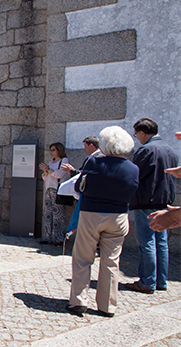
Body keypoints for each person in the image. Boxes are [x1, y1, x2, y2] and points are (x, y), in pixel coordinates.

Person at [66, 126, 139, 318]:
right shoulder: (133, 168)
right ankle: (107, 305)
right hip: (118, 215)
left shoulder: (94, 163)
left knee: (82, 257)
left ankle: (79, 301)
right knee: (111, 261)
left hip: (92, 213)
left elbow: (79, 186)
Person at [125, 118, 178, 294]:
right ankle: (161, 280)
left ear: (142, 133)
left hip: (147, 201)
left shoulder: (146, 149)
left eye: (136, 134)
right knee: (161, 243)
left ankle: (147, 282)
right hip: (164, 202)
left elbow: (135, 175)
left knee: (146, 241)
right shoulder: (170, 149)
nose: (137, 138)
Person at [38, 142, 70, 245]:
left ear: (59, 150)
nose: (51, 152)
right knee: (48, 214)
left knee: (58, 215)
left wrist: (48, 170)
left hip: (58, 190)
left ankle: (59, 238)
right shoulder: (51, 163)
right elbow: (45, 177)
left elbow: (60, 174)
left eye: (53, 150)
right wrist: (46, 171)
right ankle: (47, 236)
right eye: (50, 150)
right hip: (49, 190)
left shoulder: (64, 161)